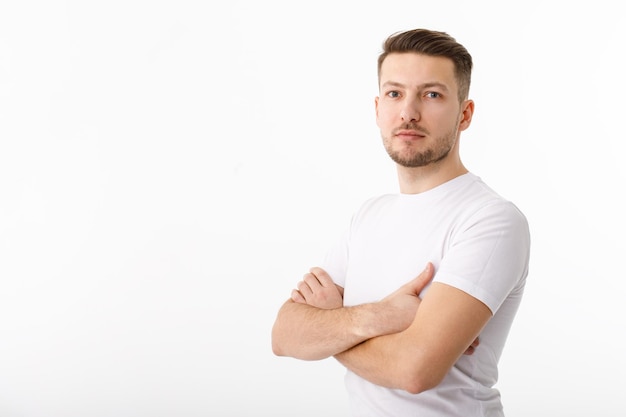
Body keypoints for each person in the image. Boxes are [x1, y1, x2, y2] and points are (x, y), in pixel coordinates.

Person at [271, 28, 530, 417]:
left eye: (431, 94)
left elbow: (413, 370)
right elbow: (284, 334)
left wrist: (330, 327)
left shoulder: (490, 219)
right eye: (395, 93)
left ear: (465, 114)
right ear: (378, 108)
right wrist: (381, 317)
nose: (409, 111)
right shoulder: (369, 215)